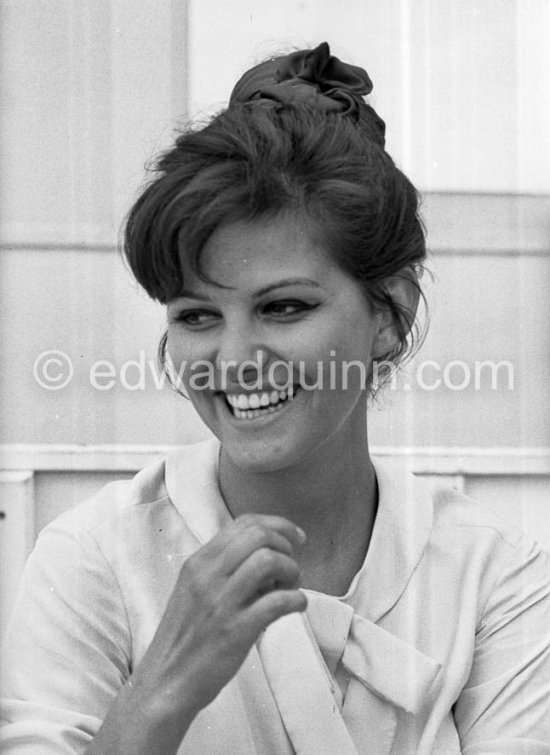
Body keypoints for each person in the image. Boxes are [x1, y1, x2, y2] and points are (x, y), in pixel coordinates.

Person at [2, 42, 550, 755]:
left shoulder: (494, 575)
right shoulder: (94, 559)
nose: (234, 360)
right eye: (196, 315)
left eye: (284, 307)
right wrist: (165, 684)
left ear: (389, 313)